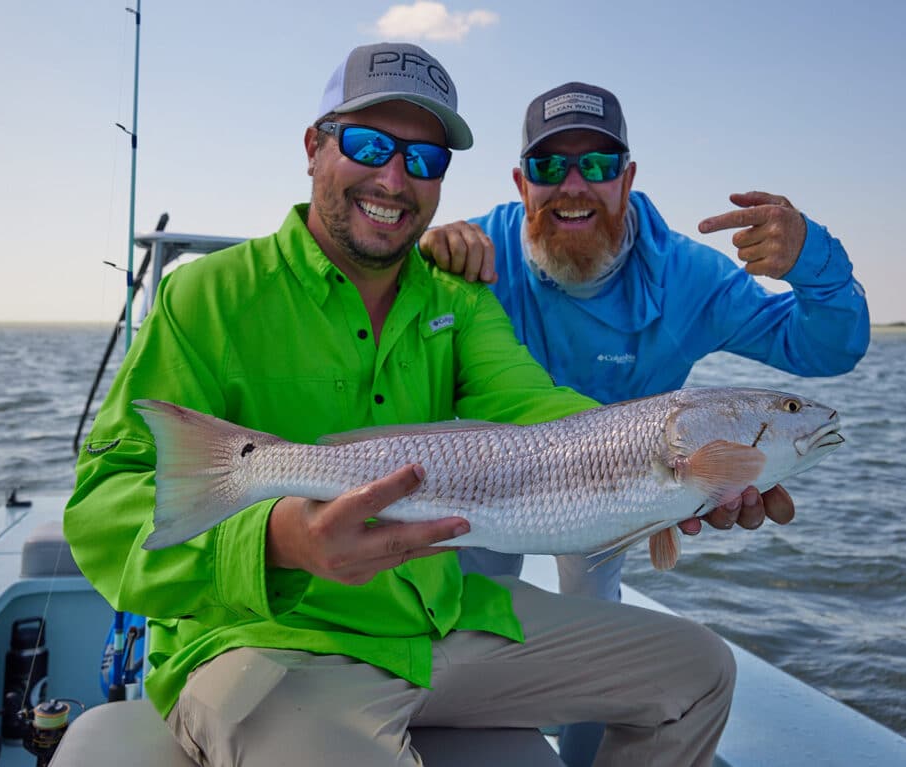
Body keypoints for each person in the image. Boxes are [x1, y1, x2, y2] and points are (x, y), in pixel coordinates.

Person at [65, 46, 741, 767]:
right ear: (314, 148)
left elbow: (536, 408)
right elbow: (106, 511)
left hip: (439, 619)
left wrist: (678, 459)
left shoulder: (458, 299)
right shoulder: (208, 296)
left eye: (425, 159)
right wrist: (279, 541)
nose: (394, 178)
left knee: (698, 672)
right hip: (270, 639)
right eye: (367, 145)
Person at [420, 81, 870, 767]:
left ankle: (584, 748)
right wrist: (420, 256)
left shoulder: (688, 276)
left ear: (628, 178)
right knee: (467, 601)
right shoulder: (479, 255)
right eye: (549, 167)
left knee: (597, 614)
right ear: (520, 182)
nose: (574, 186)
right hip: (490, 483)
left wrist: (817, 260)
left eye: (598, 166)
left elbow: (827, 346)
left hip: (621, 486)